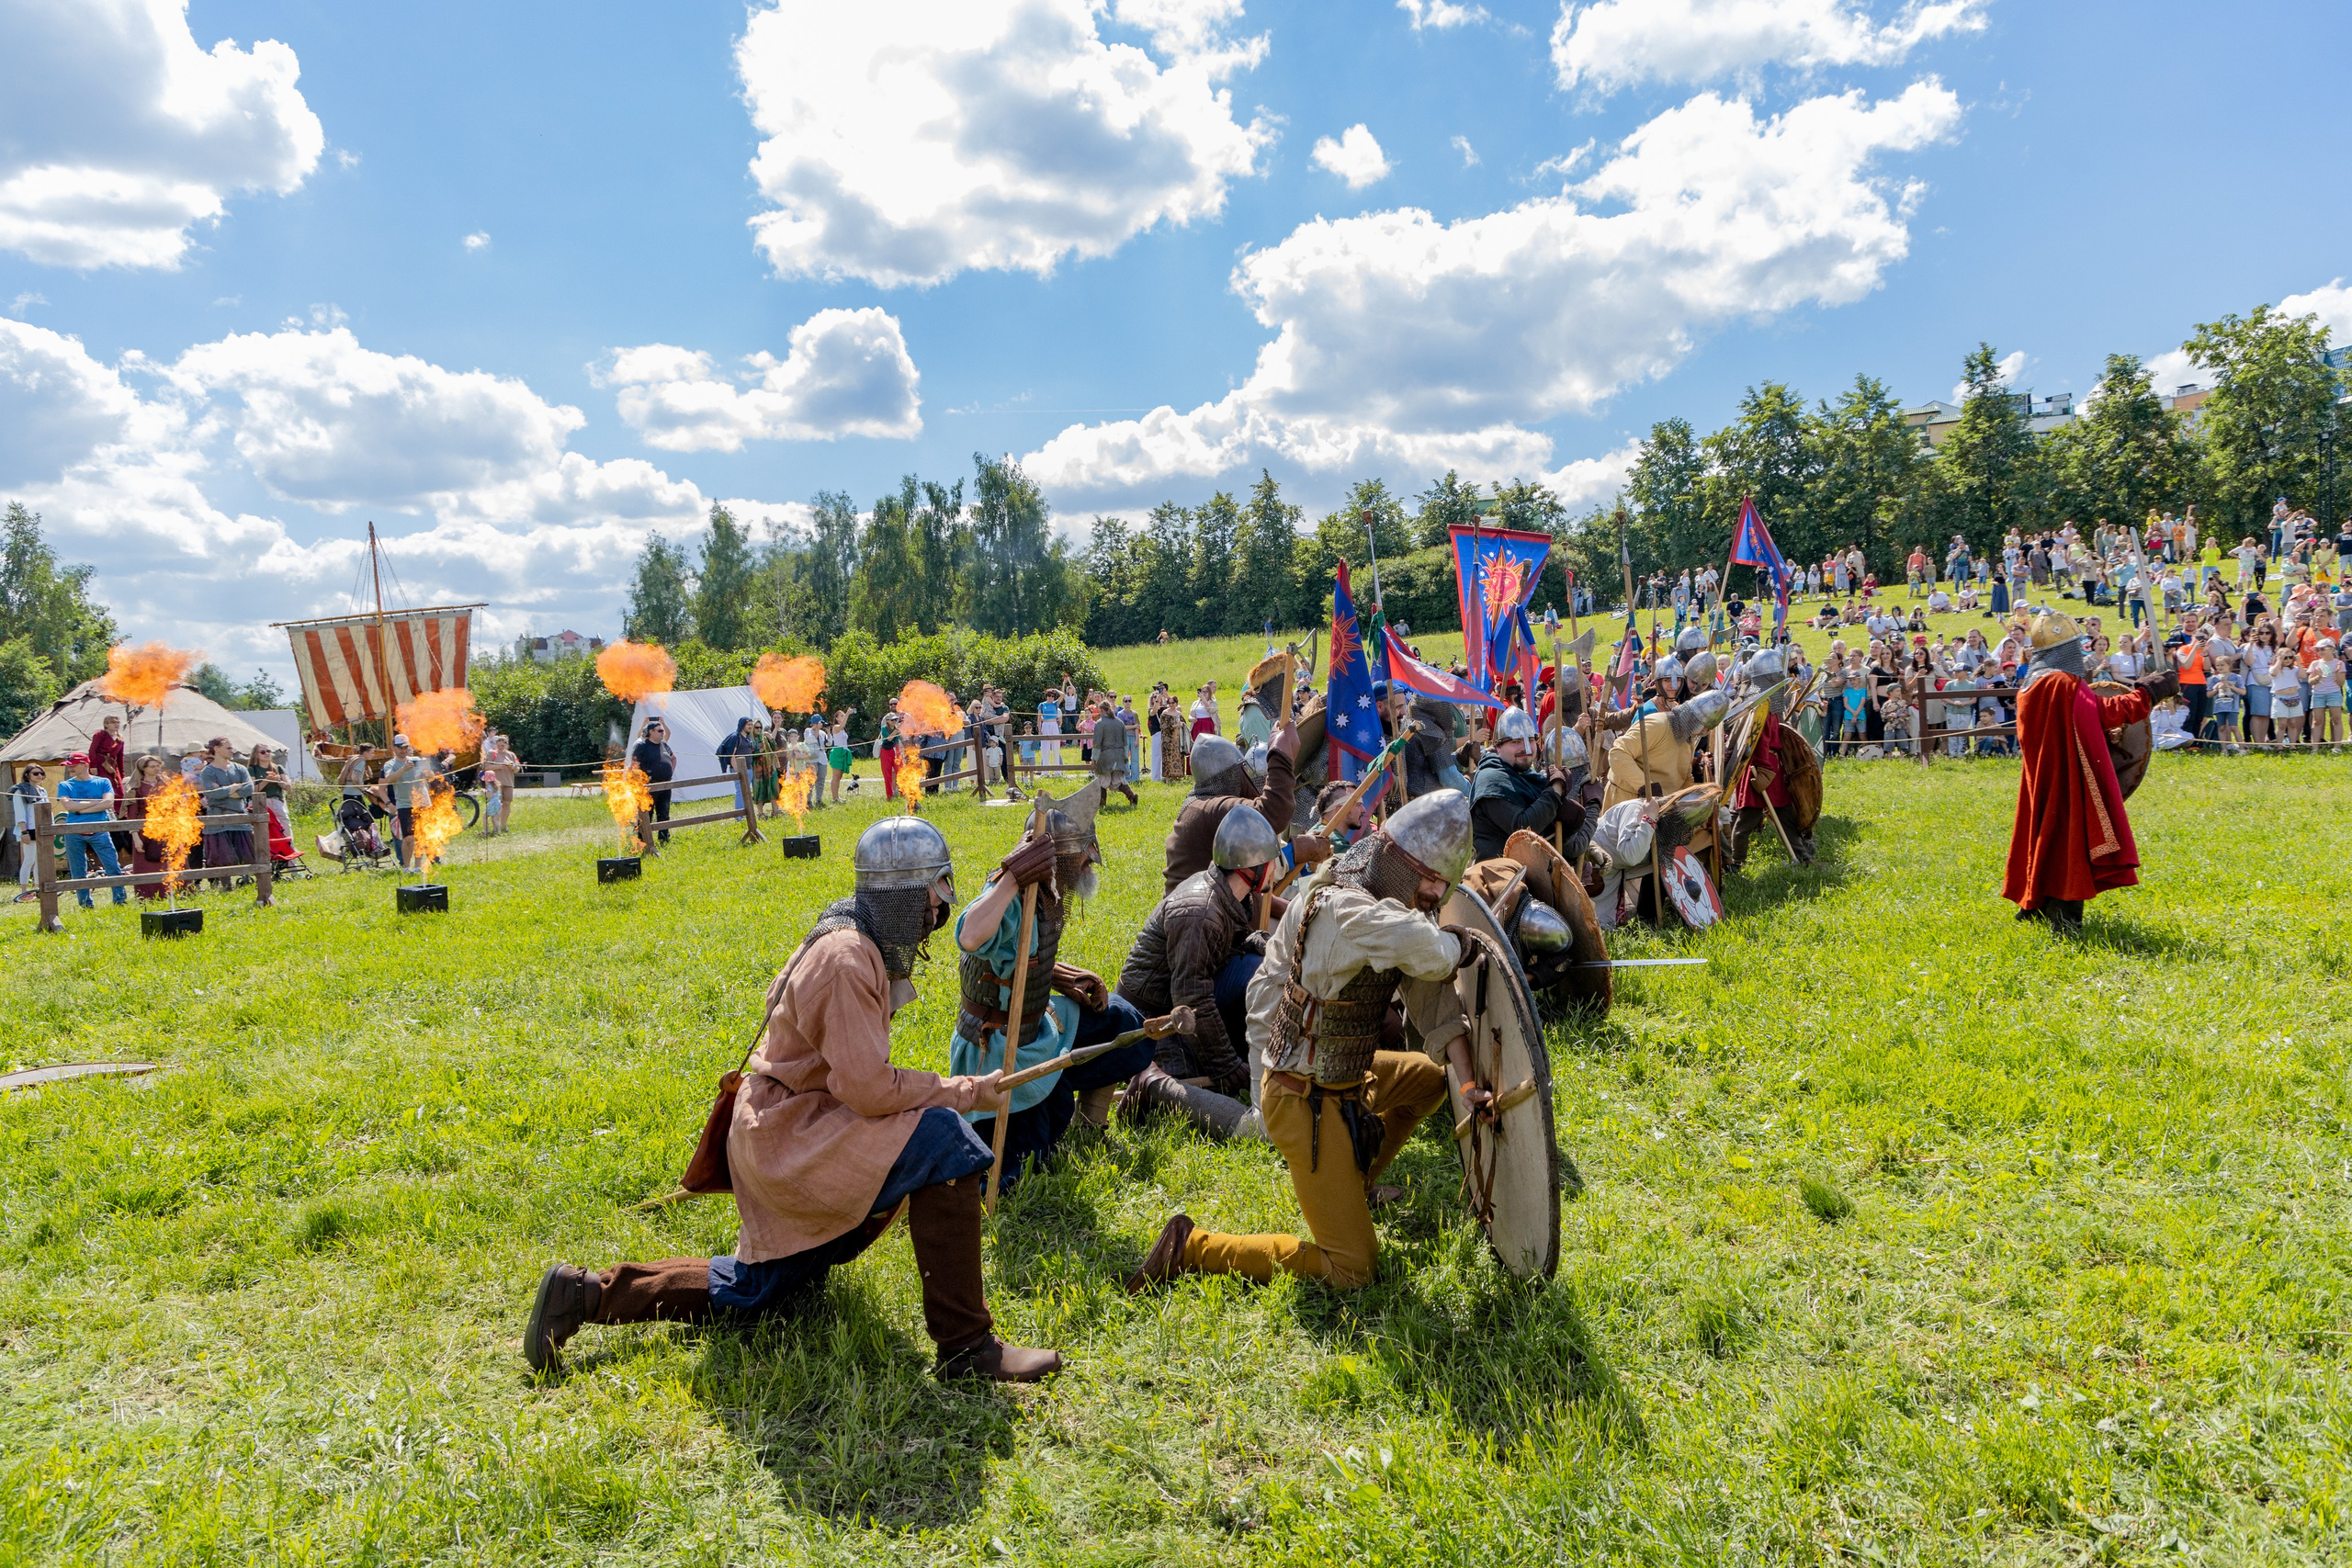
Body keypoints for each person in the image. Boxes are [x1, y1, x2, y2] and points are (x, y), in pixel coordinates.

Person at [525, 818, 1059, 1383]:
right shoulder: (847, 957)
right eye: (935, 890)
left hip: (783, 1129)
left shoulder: (849, 935)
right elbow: (869, 1089)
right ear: (905, 893)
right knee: (942, 1139)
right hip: (788, 1137)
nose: (939, 907)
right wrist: (960, 1091)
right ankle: (970, 1348)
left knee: (754, 1292)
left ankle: (583, 1294)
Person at [1125, 792, 1476, 1293]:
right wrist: (1463, 942)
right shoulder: (1346, 909)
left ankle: (1353, 1185)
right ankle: (1192, 1246)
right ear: (1398, 864)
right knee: (1352, 1267)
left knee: (1427, 1079)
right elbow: (1433, 952)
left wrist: (1467, 1083)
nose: (1437, 892)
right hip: (1304, 1097)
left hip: (1344, 1075)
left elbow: (1431, 996)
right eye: (1432, 878)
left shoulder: (1391, 908)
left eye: (1446, 883)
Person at [949, 787, 1151, 1190]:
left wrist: (1065, 979)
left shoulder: (1050, 891)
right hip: (998, 1047)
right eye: (1083, 856)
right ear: (1058, 859)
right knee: (1017, 1173)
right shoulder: (1009, 894)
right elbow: (970, 935)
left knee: (1127, 1027)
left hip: (1036, 1024)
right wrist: (1012, 875)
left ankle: (1089, 1123)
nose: (1088, 864)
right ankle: (1041, 1106)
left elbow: (1017, 960)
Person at [1116, 804, 1285, 1141]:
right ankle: (1153, 1083)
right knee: (1188, 1085)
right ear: (1253, 867)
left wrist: (1267, 945)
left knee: (1259, 967)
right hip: (1153, 1017)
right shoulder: (1200, 911)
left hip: (1184, 999)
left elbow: (1232, 946)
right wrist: (1226, 1066)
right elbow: (1191, 999)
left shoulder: (1231, 896)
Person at [2001, 612, 2175, 936]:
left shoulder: (2029, 686)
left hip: (2043, 777)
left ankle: (2035, 906)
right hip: (2068, 776)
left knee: (2043, 833)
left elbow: (2078, 722)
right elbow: (2105, 712)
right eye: (2073, 648)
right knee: (2070, 839)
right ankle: (2064, 918)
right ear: (2063, 651)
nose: (2079, 656)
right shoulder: (2062, 683)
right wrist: (2148, 693)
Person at [1161, 728, 1298, 891]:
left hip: (1207, 908)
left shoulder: (1202, 806)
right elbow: (1273, 813)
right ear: (1230, 774)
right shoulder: (1212, 809)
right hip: (1200, 913)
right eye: (1242, 770)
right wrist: (1280, 754)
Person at [1467, 707, 1583, 863]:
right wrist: (1555, 790)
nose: (1526, 748)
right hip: (1500, 875)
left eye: (1530, 740)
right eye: (1516, 742)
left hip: (1534, 869)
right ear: (1499, 747)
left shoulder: (1528, 777)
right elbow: (1523, 829)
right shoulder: (1491, 779)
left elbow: (1551, 833)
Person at [379, 732, 432, 868]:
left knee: (421, 836)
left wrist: (426, 770)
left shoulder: (416, 760)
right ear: (394, 748)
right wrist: (403, 769)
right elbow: (389, 779)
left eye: (405, 747)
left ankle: (418, 867)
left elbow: (431, 776)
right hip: (404, 804)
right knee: (408, 838)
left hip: (422, 802)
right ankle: (406, 867)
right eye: (400, 747)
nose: (403, 750)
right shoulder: (390, 764)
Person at [629, 718, 676, 842]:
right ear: (651, 732)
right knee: (646, 814)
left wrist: (670, 772)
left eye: (663, 731)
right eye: (660, 731)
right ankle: (643, 840)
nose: (663, 733)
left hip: (665, 785)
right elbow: (634, 765)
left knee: (664, 813)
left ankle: (664, 838)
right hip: (648, 785)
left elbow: (673, 758)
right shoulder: (641, 745)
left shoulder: (664, 744)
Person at [1090, 698, 1138, 806]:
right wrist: (1125, 757)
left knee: (1102, 780)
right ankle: (1132, 796)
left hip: (1106, 756)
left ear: (1102, 710)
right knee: (1118, 780)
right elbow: (1125, 743)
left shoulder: (1100, 723)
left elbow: (1097, 744)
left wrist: (1094, 759)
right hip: (1119, 756)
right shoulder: (1120, 723)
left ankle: (1102, 804)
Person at [9, 762, 46, 901]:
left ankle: (37, 889)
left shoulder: (42, 791)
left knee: (39, 860)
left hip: (41, 827)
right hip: (28, 828)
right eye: (35, 773)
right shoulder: (20, 791)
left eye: (41, 773)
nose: (39, 776)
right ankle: (24, 892)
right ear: (27, 775)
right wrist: (24, 832)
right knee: (29, 860)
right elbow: (19, 813)